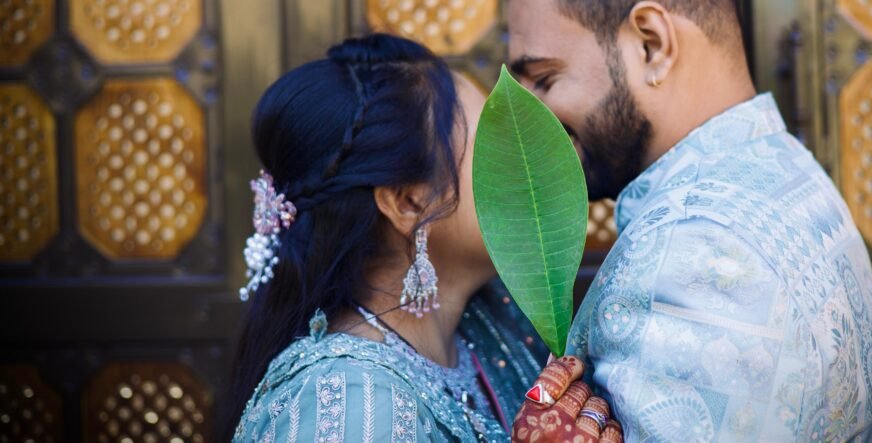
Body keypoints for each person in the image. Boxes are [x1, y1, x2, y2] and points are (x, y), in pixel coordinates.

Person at [499, 0, 872, 441]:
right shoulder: (786, 171)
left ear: (651, 45)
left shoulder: (696, 260)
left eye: (543, 79)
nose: (529, 120)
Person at [223, 33, 624, 442]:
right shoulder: (348, 404)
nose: (526, 161)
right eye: (494, 142)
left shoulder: (491, 322)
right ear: (408, 203)